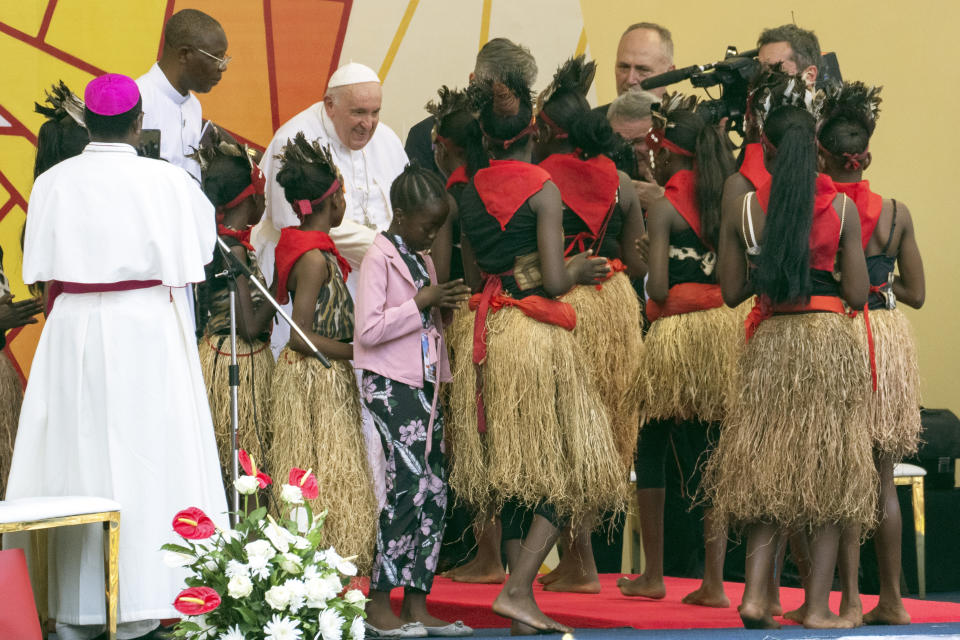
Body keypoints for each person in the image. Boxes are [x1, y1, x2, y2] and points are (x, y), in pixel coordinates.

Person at [5, 73, 227, 640]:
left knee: (76, 460)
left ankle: (77, 612)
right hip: (146, 327)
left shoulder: (54, 181)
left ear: (89, 123)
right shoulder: (167, 181)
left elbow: (36, 260)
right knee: (148, 459)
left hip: (74, 329)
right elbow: (201, 249)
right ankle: (145, 602)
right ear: (136, 124)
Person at [446, 71, 622, 633]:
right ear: (530, 133)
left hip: (490, 335)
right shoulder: (544, 188)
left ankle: (520, 599)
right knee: (571, 468)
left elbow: (477, 274)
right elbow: (550, 280)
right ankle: (519, 589)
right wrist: (573, 268)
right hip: (537, 337)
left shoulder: (466, 192)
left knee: (515, 469)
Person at [705, 103, 874, 630]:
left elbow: (732, 291)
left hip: (770, 344)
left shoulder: (746, 209)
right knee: (826, 477)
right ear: (817, 151)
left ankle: (757, 597)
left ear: (768, 151)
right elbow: (856, 292)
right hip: (824, 345)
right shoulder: (842, 210)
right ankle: (819, 607)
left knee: (765, 475)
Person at [616, 94, 738, 607]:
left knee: (651, 445)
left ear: (671, 151)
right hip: (721, 336)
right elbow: (736, 278)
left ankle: (653, 574)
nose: (655, 159)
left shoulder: (665, 207)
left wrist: (647, 258)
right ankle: (713, 581)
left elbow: (659, 288)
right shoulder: (729, 199)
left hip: (675, 339)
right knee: (712, 452)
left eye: (658, 150)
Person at [533, 55, 646, 594]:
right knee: (607, 436)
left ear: (550, 129)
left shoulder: (541, 181)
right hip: (617, 306)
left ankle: (580, 564)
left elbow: (540, 263)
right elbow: (637, 259)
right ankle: (584, 561)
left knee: (571, 436)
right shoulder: (622, 180)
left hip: (569, 308)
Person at [819, 82, 924, 627]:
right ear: (867, 157)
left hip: (835, 336)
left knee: (840, 475)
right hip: (885, 336)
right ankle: (893, 599)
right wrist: (883, 289)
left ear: (822, 155)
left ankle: (851, 601)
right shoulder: (896, 213)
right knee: (881, 478)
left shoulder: (823, 208)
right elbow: (918, 294)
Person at [354, 164, 473, 637]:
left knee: (435, 489)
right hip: (390, 384)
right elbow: (368, 330)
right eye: (428, 224)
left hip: (425, 383)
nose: (434, 233)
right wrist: (422, 302)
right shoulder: (377, 258)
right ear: (400, 215)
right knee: (404, 485)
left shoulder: (419, 256)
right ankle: (379, 602)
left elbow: (418, 319)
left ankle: (417, 602)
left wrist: (437, 304)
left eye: (439, 225)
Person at [265, 132, 379, 570]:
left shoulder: (312, 248)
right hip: (315, 375)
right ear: (333, 203)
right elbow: (300, 333)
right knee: (316, 467)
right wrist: (357, 352)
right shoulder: (312, 259)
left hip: (322, 371)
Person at [192, 127, 276, 490]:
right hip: (239, 361)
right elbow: (249, 325)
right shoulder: (234, 251)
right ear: (250, 198)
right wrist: (276, 292)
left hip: (215, 352)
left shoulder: (215, 241)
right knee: (246, 467)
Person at [404, 38, 538, 177]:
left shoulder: (533, 137)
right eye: (498, 94)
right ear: (472, 81)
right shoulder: (424, 137)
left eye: (517, 96)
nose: (506, 104)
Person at [137, 8, 229, 182]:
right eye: (216, 58)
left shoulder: (194, 105)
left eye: (224, 58)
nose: (223, 67)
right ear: (184, 54)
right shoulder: (138, 102)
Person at [595, 22, 674, 117]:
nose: (630, 80)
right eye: (624, 67)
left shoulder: (690, 128)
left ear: (670, 75)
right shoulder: (590, 125)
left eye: (643, 70)